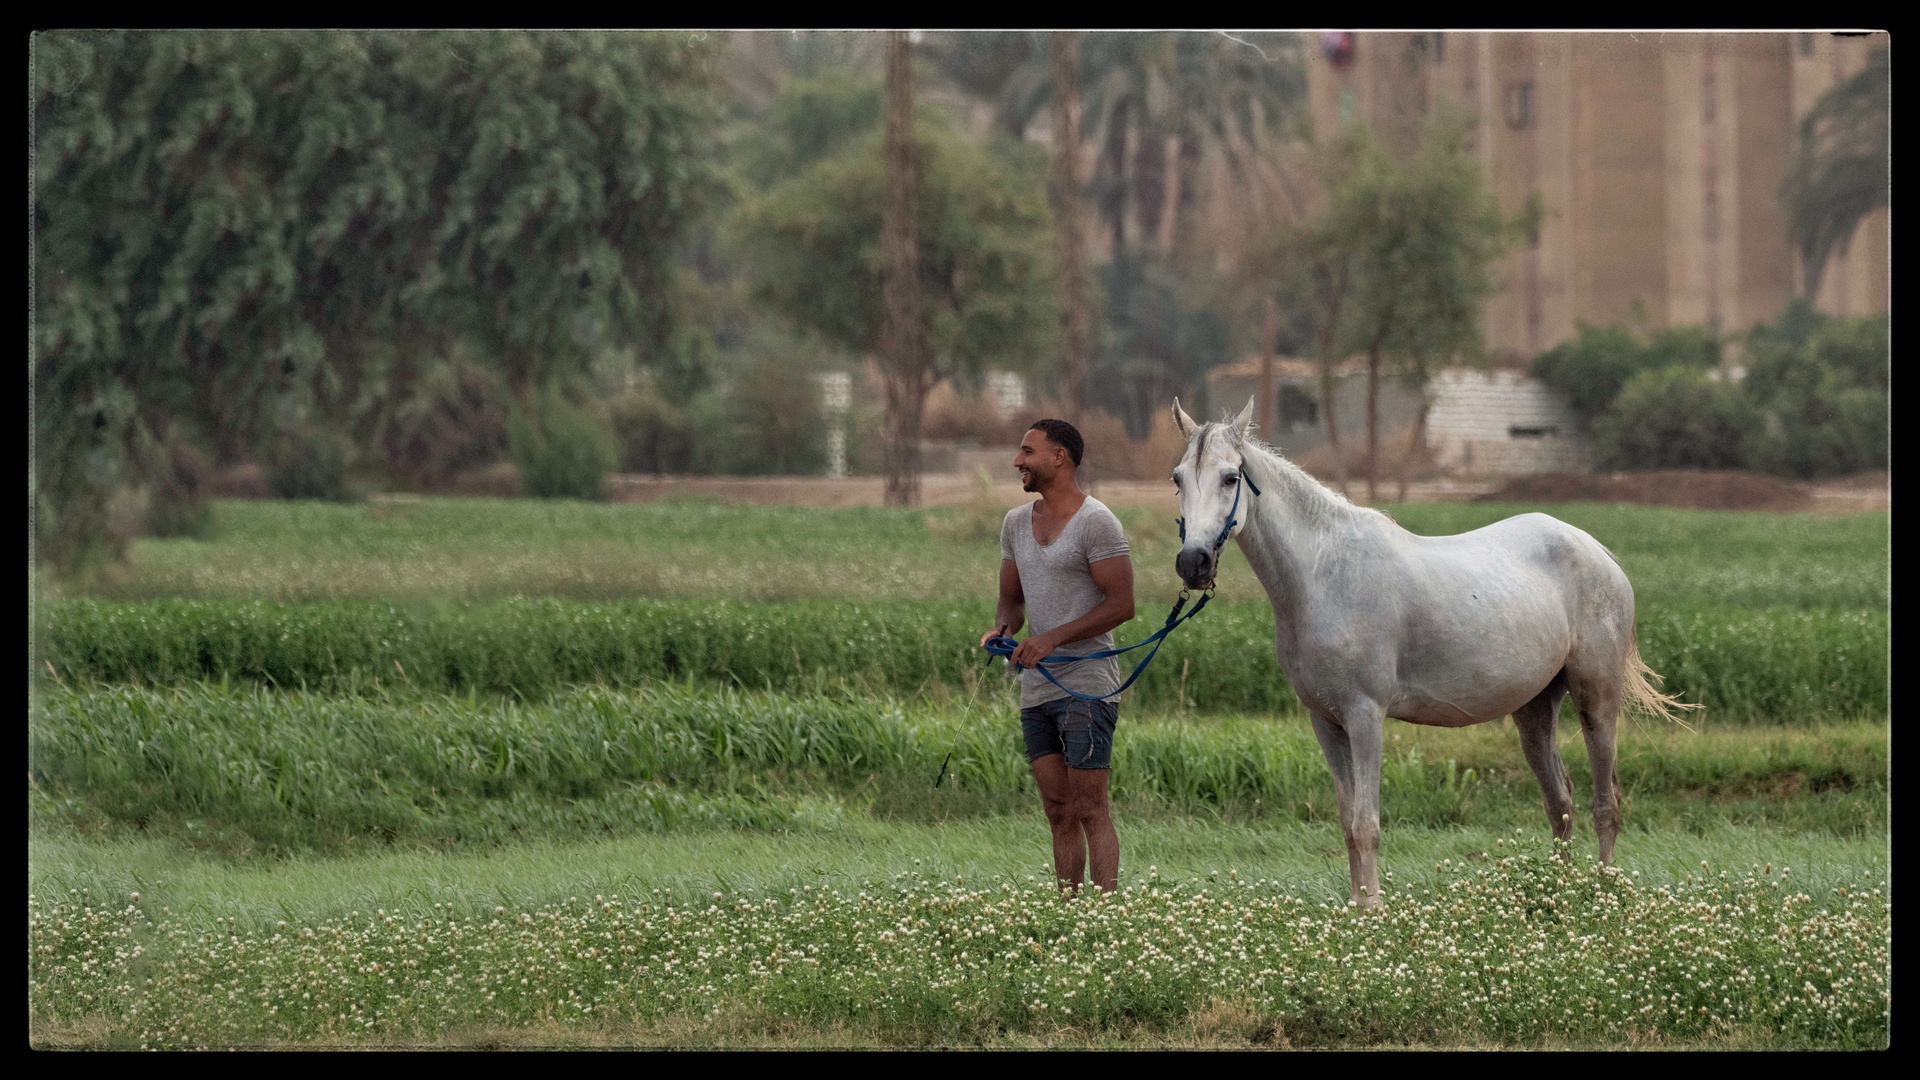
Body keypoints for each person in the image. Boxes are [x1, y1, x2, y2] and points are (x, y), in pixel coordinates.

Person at [980, 419, 1135, 894]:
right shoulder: (1014, 524)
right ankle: (1068, 909)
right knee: (1058, 810)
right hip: (1037, 689)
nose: (1017, 462)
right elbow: (1013, 601)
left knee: (1090, 807)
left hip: (1087, 687)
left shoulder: (1097, 522)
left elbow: (1122, 606)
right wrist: (1003, 630)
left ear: (1059, 457)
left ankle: (1106, 915)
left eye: (1027, 452)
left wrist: (1051, 640)